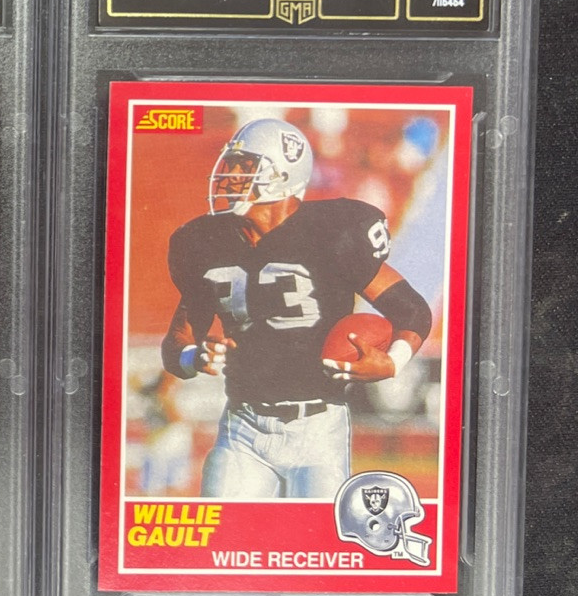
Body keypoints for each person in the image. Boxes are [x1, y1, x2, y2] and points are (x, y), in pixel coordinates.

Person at [160, 117, 432, 498]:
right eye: (231, 165)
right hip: (242, 429)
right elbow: (177, 343)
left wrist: (393, 363)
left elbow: (412, 311)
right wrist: (194, 357)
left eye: (245, 167)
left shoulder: (332, 233)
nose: (230, 176)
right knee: (223, 532)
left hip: (318, 429)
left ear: (283, 177)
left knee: (316, 536)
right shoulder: (204, 242)